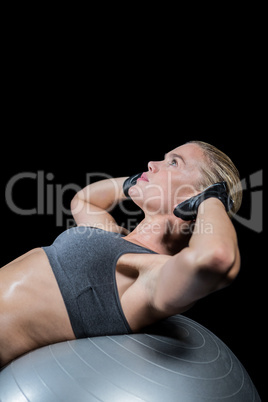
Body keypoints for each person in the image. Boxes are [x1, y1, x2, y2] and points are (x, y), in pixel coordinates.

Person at [0, 141, 242, 368]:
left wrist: (211, 202)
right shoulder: (115, 235)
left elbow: (216, 257)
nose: (151, 164)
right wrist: (135, 182)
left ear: (195, 196)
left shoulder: (152, 273)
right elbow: (83, 201)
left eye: (174, 162)